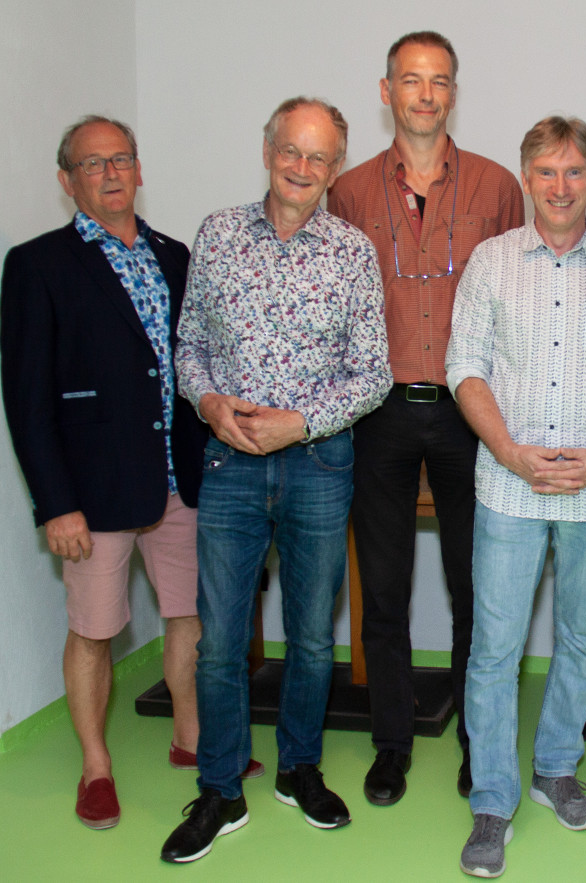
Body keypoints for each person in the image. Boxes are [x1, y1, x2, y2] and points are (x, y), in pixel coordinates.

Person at [0, 115, 254, 831]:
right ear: (66, 180)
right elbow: (26, 397)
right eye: (92, 163)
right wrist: (56, 503)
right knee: (94, 629)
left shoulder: (177, 255)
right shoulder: (38, 264)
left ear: (140, 169)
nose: (111, 173)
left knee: (188, 618)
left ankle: (191, 740)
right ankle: (96, 765)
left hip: (179, 477)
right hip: (95, 490)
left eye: (122, 159)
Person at [160, 97, 391, 863]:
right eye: (291, 150)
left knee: (314, 643)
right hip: (229, 462)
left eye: (319, 157)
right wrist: (210, 401)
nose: (302, 168)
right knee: (222, 643)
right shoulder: (219, 235)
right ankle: (220, 789)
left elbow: (375, 373)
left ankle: (299, 769)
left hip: (319, 462)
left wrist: (302, 421)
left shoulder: (352, 252)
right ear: (268, 151)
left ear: (335, 168)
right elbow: (188, 346)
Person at [446, 116, 586, 878]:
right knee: (494, 649)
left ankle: (556, 768)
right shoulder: (492, 261)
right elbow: (464, 367)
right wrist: (508, 451)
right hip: (507, 485)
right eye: (547, 172)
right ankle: (492, 801)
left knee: (579, 637)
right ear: (527, 178)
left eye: (575, 172)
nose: (561, 186)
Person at [327, 31, 524, 806]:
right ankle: (390, 744)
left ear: (453, 92)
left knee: (477, 586)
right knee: (385, 585)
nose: (426, 94)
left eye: (439, 80)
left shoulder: (497, 186)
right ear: (387, 92)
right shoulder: (346, 194)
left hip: (466, 414)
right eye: (411, 80)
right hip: (377, 413)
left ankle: (480, 742)